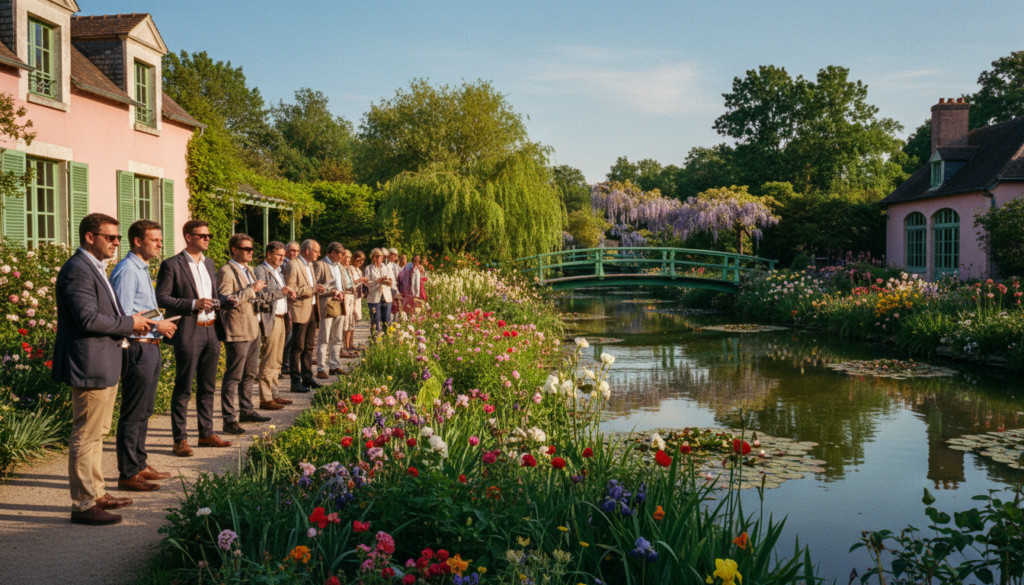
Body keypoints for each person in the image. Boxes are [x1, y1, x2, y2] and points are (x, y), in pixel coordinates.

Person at [53, 213, 156, 525]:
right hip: (90, 363)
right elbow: (87, 319)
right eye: (110, 237)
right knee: (86, 434)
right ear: (89, 237)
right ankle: (84, 504)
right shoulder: (78, 270)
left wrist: (130, 324)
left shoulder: (93, 268)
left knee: (97, 432)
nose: (115, 242)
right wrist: (130, 323)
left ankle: (97, 492)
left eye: (117, 238)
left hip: (102, 360)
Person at [109, 220, 177, 493]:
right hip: (137, 347)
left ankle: (139, 463)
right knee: (134, 411)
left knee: (145, 409)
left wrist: (160, 319)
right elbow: (124, 315)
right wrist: (157, 323)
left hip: (150, 344)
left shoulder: (141, 268)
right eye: (155, 239)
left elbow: (141, 309)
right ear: (138, 241)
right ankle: (127, 473)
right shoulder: (127, 271)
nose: (160, 244)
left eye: (160, 239)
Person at [156, 220, 233, 457]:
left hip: (211, 329)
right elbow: (161, 298)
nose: (207, 239)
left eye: (209, 235)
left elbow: (211, 295)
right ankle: (180, 439)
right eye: (202, 235)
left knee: (208, 386)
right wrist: (193, 304)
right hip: (189, 329)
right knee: (184, 386)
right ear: (188, 237)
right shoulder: (172, 264)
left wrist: (225, 300)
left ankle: (206, 433)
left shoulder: (209, 263)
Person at [216, 234, 272, 435]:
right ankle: (229, 419)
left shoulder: (248, 269)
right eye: (246, 249)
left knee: (250, 373)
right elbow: (225, 300)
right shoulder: (226, 271)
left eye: (252, 248)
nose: (250, 252)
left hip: (253, 325)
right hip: (238, 328)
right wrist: (252, 289)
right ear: (234, 250)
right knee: (234, 376)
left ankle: (246, 409)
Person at [254, 242, 295, 410]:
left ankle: (275, 394)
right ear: (268, 254)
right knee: (269, 358)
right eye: (278, 255)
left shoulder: (279, 271)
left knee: (278, 359)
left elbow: (280, 294)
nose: (281, 258)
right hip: (269, 318)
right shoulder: (260, 270)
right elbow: (261, 295)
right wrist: (282, 292)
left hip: (281, 317)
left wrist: (288, 298)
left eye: (283, 255)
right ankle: (265, 398)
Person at [283, 239, 326, 392]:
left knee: (309, 347)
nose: (319, 254)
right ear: (307, 250)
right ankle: (295, 381)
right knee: (298, 347)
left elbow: (309, 287)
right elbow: (291, 289)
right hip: (300, 310)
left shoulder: (310, 265)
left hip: (312, 309)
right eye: (317, 251)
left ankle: (307, 378)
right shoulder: (293, 265)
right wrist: (313, 289)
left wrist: (317, 288)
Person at [315, 242, 347, 378]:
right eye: (340, 255)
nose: (342, 258)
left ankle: (334, 365)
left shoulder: (339, 266)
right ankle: (321, 368)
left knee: (337, 337)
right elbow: (315, 287)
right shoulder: (320, 265)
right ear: (332, 253)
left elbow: (342, 284)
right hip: (325, 304)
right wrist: (330, 291)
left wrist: (341, 292)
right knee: (324, 338)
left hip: (339, 303)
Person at [280, 240, 302, 377]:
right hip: (283, 303)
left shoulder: (298, 264)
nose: (293, 253)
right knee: (285, 336)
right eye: (291, 250)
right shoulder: (282, 265)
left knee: (291, 335)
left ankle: (285, 363)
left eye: (296, 251)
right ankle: (282, 365)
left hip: (295, 303)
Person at [365, 248, 393, 335]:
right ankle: (375, 340)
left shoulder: (386, 267)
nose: (378, 259)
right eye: (376, 256)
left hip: (386, 296)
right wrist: (378, 281)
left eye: (380, 257)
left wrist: (390, 281)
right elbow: (367, 283)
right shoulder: (368, 268)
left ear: (383, 258)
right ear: (372, 257)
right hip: (374, 297)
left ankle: (387, 340)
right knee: (375, 320)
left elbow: (391, 279)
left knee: (387, 320)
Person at [386, 248, 402, 324]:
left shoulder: (397, 266)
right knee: (389, 307)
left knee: (396, 306)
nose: (393, 256)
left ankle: (396, 322)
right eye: (391, 254)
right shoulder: (386, 264)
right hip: (388, 288)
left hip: (396, 288)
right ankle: (389, 323)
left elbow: (400, 276)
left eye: (395, 255)